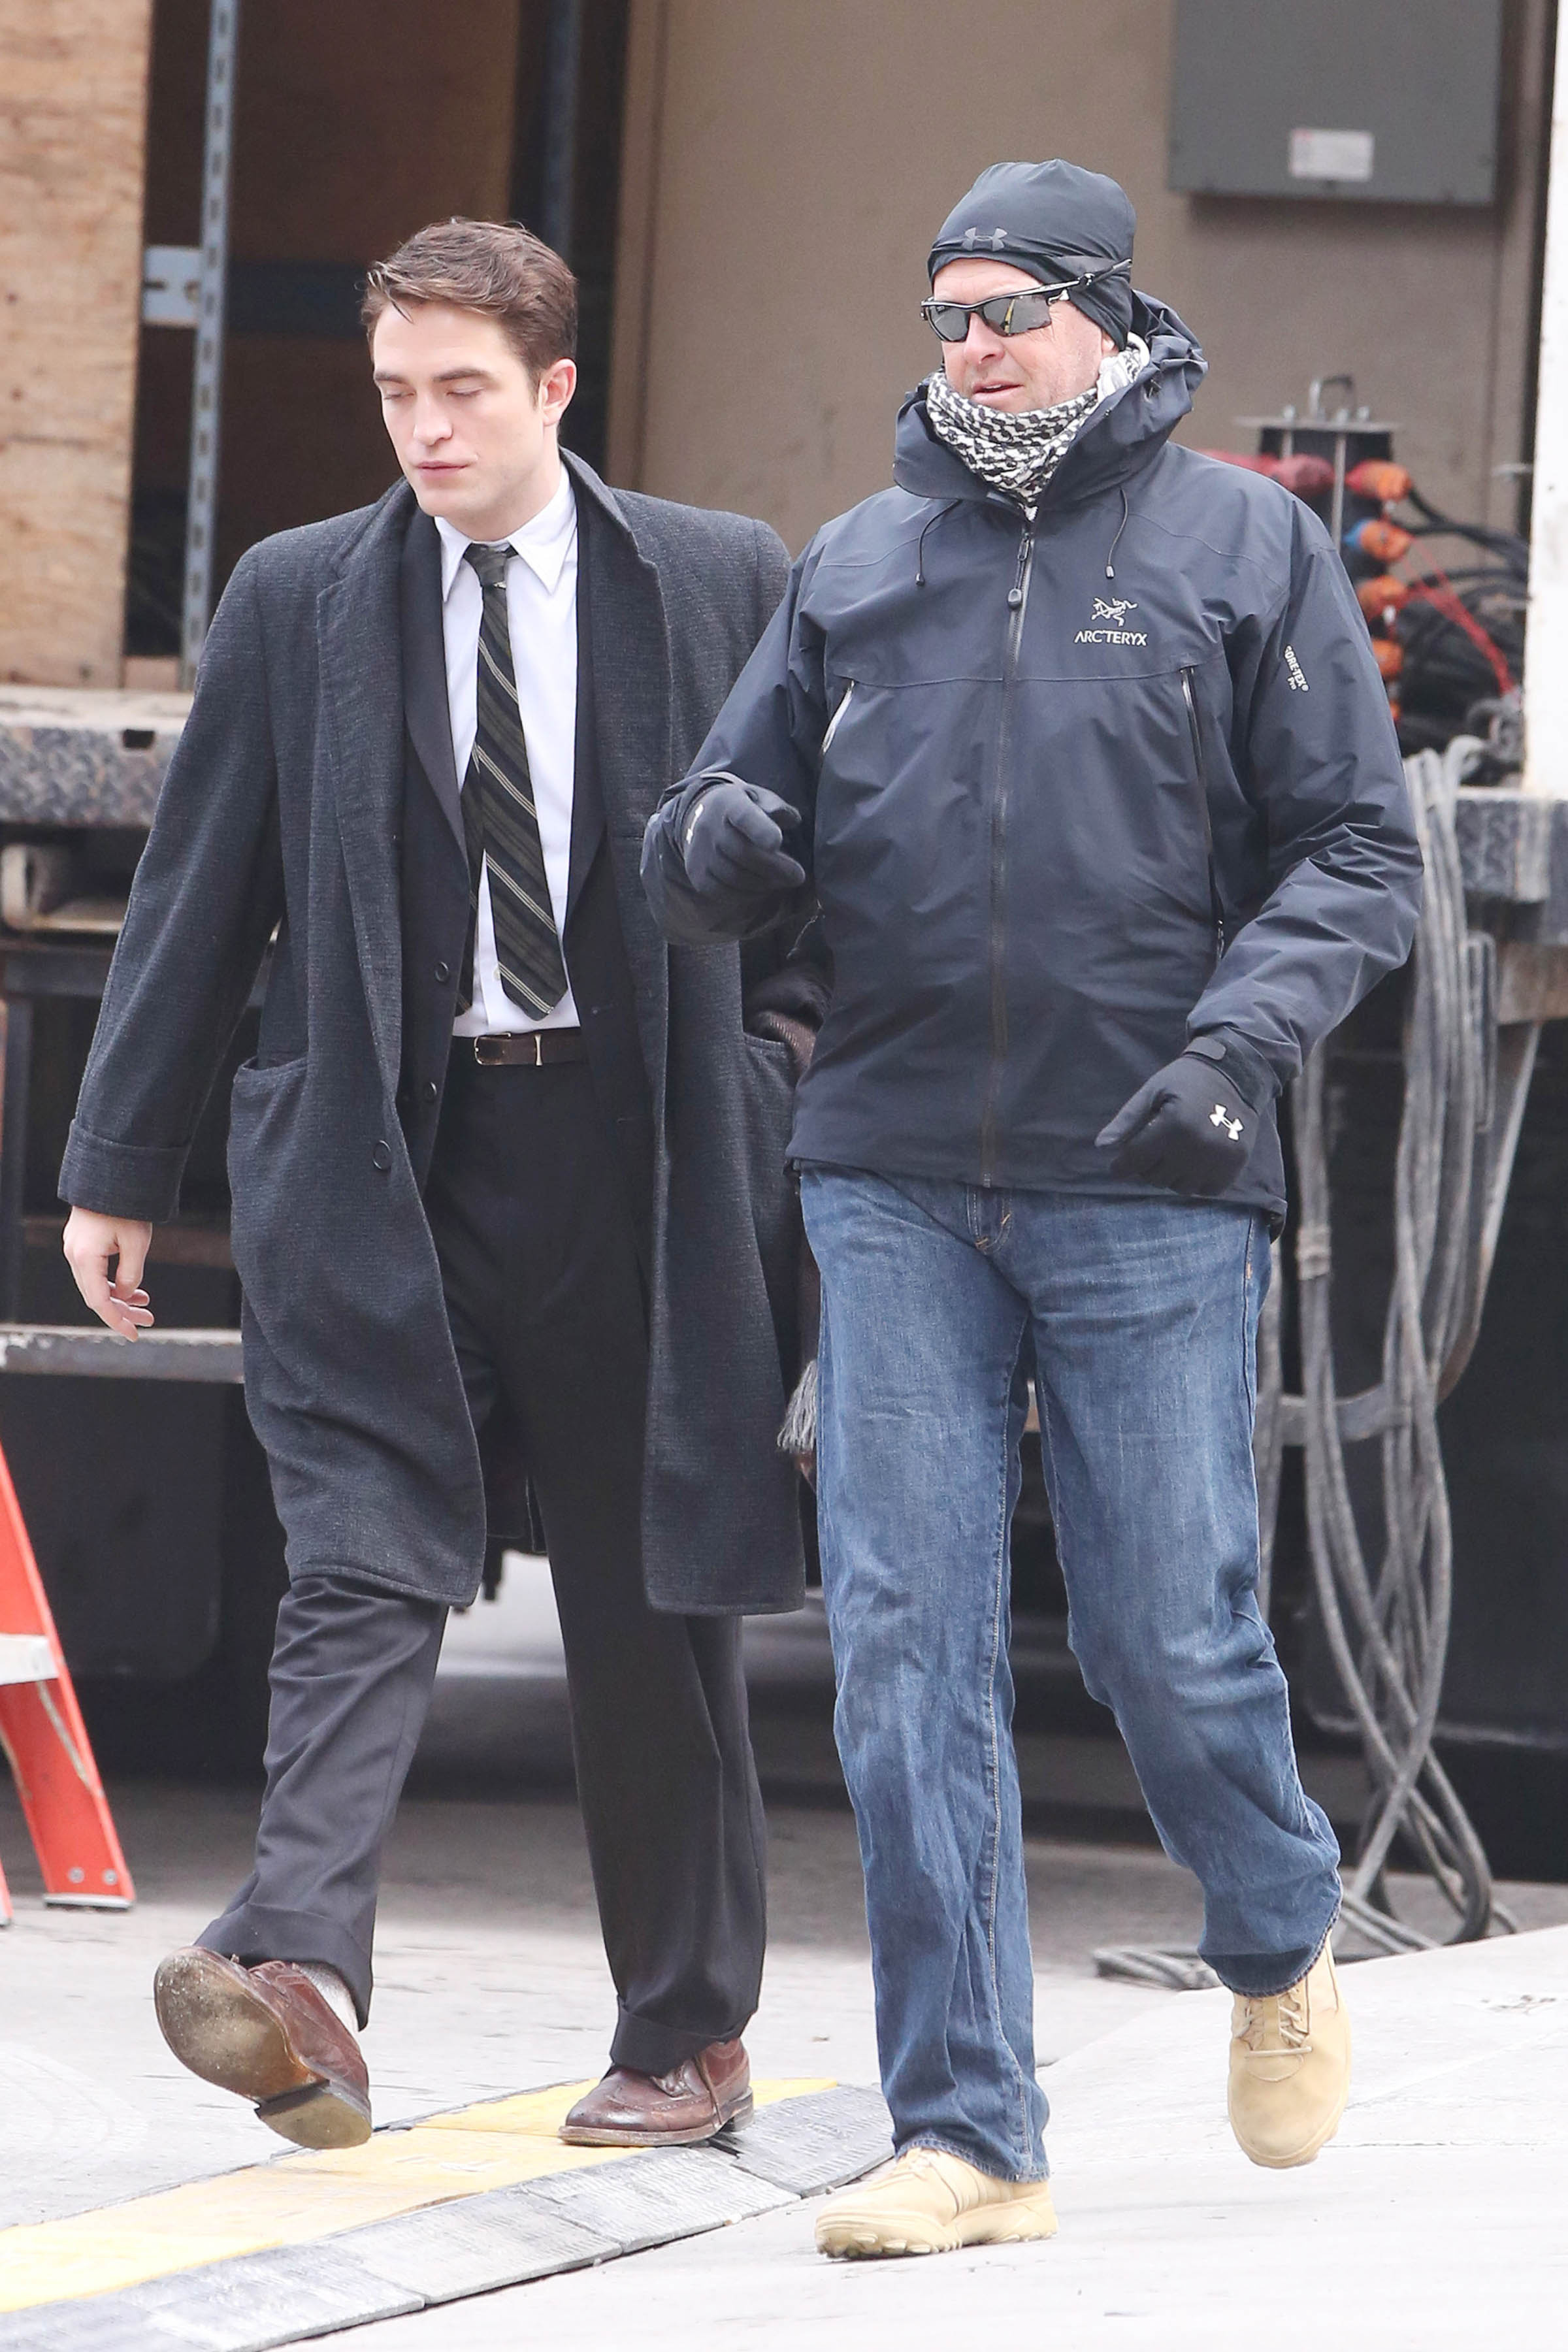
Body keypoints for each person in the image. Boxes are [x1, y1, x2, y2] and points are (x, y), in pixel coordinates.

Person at [642, 159, 1422, 2255]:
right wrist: (712, 844)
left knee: (1170, 1631)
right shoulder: (864, 559)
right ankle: (972, 2130)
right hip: (891, 1170)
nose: (970, 346)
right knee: (904, 1650)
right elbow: (712, 812)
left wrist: (1234, 1054)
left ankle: (1276, 1930)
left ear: (1106, 315)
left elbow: (1360, 853)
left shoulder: (1245, 544)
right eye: (945, 315)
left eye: (1006, 309)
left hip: (1152, 1173)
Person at [61, 218, 821, 2153]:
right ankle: (299, 1965)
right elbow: (200, 888)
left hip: (637, 1155)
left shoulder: (719, 579)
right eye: (396, 392)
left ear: (556, 387)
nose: (424, 429)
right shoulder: (301, 594)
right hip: (382, 1151)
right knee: (360, 1549)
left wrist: (781, 1078)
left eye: (463, 391)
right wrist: (119, 1162)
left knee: (650, 1601)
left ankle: (687, 2032)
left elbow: (820, 872)